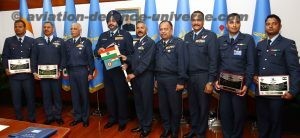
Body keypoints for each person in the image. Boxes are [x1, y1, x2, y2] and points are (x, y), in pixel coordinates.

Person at [254, 14, 300, 138]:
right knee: (262, 123)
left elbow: (295, 69)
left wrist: (293, 91)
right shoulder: (260, 44)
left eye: (274, 23)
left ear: (280, 26)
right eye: (268, 24)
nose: (270, 26)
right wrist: (255, 76)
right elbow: (257, 66)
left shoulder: (288, 43)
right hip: (262, 92)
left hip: (278, 94)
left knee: (276, 123)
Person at [215, 13, 256, 138]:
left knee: (239, 114)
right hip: (224, 84)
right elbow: (216, 63)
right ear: (227, 25)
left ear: (240, 24)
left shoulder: (248, 39)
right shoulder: (220, 40)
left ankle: (236, 136)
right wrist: (216, 80)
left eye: (237, 22)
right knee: (225, 113)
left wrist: (247, 84)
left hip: (240, 85)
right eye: (231, 22)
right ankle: (227, 136)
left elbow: (251, 64)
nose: (234, 24)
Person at [94, 10, 134, 132]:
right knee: (109, 96)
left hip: (120, 71)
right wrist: (99, 51)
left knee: (121, 96)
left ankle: (122, 120)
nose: (110, 23)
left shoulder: (125, 34)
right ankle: (112, 119)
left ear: (118, 21)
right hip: (107, 71)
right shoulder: (103, 35)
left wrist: (127, 64)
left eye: (113, 20)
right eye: (108, 21)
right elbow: (95, 52)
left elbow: (131, 53)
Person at [183, 10, 218, 138]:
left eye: (199, 20)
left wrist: (210, 81)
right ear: (191, 21)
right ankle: (193, 130)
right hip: (190, 77)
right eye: (194, 20)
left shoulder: (210, 36)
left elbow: (214, 60)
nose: (196, 22)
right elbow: (185, 59)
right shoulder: (187, 36)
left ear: (203, 21)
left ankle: (201, 133)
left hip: (204, 76)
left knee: (203, 107)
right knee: (192, 106)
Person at [120, 21, 155, 137]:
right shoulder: (137, 43)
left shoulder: (150, 43)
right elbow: (135, 58)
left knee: (146, 102)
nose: (139, 30)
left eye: (142, 28)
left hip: (145, 77)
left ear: (146, 30)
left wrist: (133, 74)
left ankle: (147, 127)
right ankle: (141, 124)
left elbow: (145, 62)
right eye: (137, 28)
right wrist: (127, 61)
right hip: (136, 77)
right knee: (139, 102)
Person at [155, 20, 188, 138]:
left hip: (174, 79)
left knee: (175, 107)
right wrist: (156, 79)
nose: (163, 31)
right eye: (161, 29)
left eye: (166, 29)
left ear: (171, 30)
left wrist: (181, 81)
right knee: (163, 107)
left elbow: (182, 63)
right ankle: (166, 128)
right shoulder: (158, 44)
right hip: (160, 79)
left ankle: (175, 130)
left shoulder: (179, 43)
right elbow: (155, 63)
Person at [31, 21, 65, 125]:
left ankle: (58, 116)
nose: (46, 29)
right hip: (43, 75)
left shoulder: (60, 41)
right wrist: (34, 72)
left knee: (57, 96)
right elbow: (33, 58)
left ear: (53, 29)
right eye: (44, 27)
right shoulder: (37, 41)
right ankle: (49, 116)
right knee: (46, 96)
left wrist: (60, 70)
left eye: (48, 27)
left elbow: (64, 57)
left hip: (56, 75)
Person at [1, 19, 36, 122]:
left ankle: (31, 117)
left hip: (27, 76)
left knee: (30, 98)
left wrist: (32, 69)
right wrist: (6, 68)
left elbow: (34, 57)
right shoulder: (9, 40)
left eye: (20, 26)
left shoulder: (31, 41)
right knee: (16, 99)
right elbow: (5, 56)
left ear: (25, 28)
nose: (17, 28)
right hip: (14, 77)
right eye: (16, 26)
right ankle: (18, 118)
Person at [65, 23, 94, 127]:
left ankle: (85, 118)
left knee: (84, 95)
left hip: (82, 71)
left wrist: (91, 72)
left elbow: (90, 58)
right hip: (71, 71)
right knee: (75, 96)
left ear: (80, 30)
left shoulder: (86, 42)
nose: (72, 30)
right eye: (71, 28)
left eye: (75, 29)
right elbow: (65, 58)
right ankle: (77, 117)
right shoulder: (67, 42)